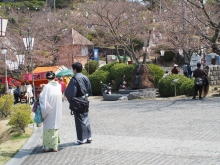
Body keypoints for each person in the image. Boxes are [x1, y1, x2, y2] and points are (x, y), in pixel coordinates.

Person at [65, 62, 92, 145]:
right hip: (85, 100)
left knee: (79, 120)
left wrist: (71, 100)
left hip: (78, 101)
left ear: (75, 69)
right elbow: (89, 89)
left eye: (72, 69)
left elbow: (70, 92)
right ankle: (89, 137)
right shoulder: (85, 77)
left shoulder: (74, 79)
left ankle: (81, 139)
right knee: (86, 118)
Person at [39, 71, 62, 152]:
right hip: (57, 109)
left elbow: (43, 99)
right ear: (54, 77)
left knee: (47, 127)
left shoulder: (47, 87)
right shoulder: (58, 86)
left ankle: (47, 147)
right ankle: (55, 146)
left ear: (46, 78)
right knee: (55, 127)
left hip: (48, 110)